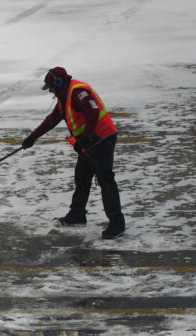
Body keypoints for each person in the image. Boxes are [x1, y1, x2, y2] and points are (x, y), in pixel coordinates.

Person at [22, 67, 125, 239]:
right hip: (90, 141)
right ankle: (77, 214)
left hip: (102, 138)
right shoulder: (64, 98)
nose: (51, 91)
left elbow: (93, 111)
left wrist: (84, 138)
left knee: (105, 179)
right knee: (82, 176)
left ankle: (117, 223)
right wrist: (33, 137)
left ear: (58, 83)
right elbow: (52, 120)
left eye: (51, 87)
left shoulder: (77, 92)